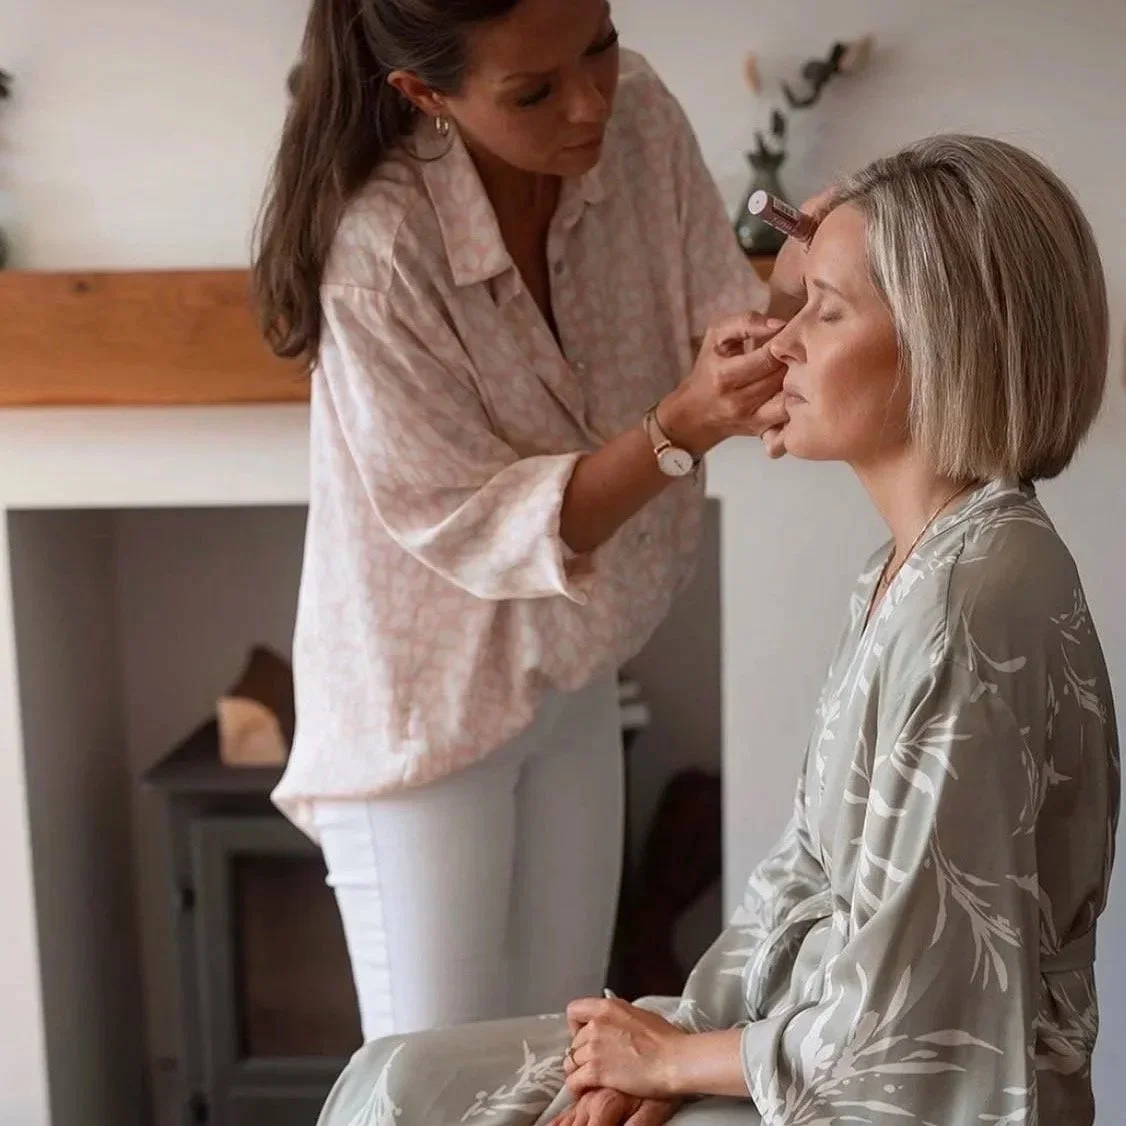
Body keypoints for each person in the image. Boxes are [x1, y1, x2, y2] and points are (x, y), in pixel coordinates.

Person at [309, 133, 1119, 1126]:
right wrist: (666, 1044)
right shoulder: (909, 570)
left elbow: (920, 1030)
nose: (781, 346)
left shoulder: (968, 603)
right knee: (399, 1078)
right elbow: (798, 883)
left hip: (880, 1089)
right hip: (803, 1039)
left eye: (823, 312)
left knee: (412, 1105)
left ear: (946, 339)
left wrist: (680, 1061)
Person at [252, 0, 807, 1039]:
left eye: (597, 43)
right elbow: (475, 521)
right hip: (424, 712)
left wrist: (822, 284)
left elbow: (720, 315)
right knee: (435, 1088)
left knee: (553, 1057)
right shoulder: (377, 251)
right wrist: (680, 423)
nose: (592, 99)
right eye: (535, 90)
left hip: (573, 671)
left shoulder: (637, 113)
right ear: (424, 95)